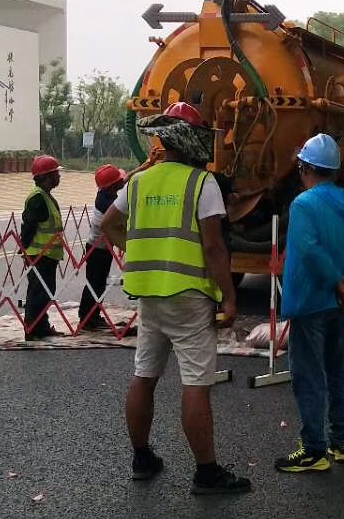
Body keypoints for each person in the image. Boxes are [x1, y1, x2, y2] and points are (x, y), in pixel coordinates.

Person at [101, 102, 250, 495]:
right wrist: (229, 298)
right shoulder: (202, 184)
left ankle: (142, 458)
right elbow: (215, 248)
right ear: (194, 139)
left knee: (144, 375)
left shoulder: (139, 182)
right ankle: (206, 472)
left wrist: (134, 252)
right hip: (189, 296)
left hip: (149, 296)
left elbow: (108, 224)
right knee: (195, 383)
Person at [274, 133, 344, 473]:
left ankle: (313, 450)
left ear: (305, 168)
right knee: (337, 370)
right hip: (342, 303)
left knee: (308, 375)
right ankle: (341, 443)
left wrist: (335, 282)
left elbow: (308, 249)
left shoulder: (303, 204)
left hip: (311, 300)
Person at [77, 163, 127, 331]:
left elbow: (125, 179)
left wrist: (146, 165)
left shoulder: (106, 193)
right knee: (95, 284)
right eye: (119, 180)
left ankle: (91, 316)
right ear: (113, 186)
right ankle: (88, 318)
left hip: (101, 248)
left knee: (97, 283)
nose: (123, 180)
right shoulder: (108, 202)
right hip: (97, 250)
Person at [20, 154, 64, 340]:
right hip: (39, 255)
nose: (59, 177)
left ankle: (42, 326)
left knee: (46, 292)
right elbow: (28, 226)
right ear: (46, 176)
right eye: (55, 174)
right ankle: (32, 329)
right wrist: (25, 250)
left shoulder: (45, 196)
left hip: (48, 255)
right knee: (38, 293)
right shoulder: (37, 198)